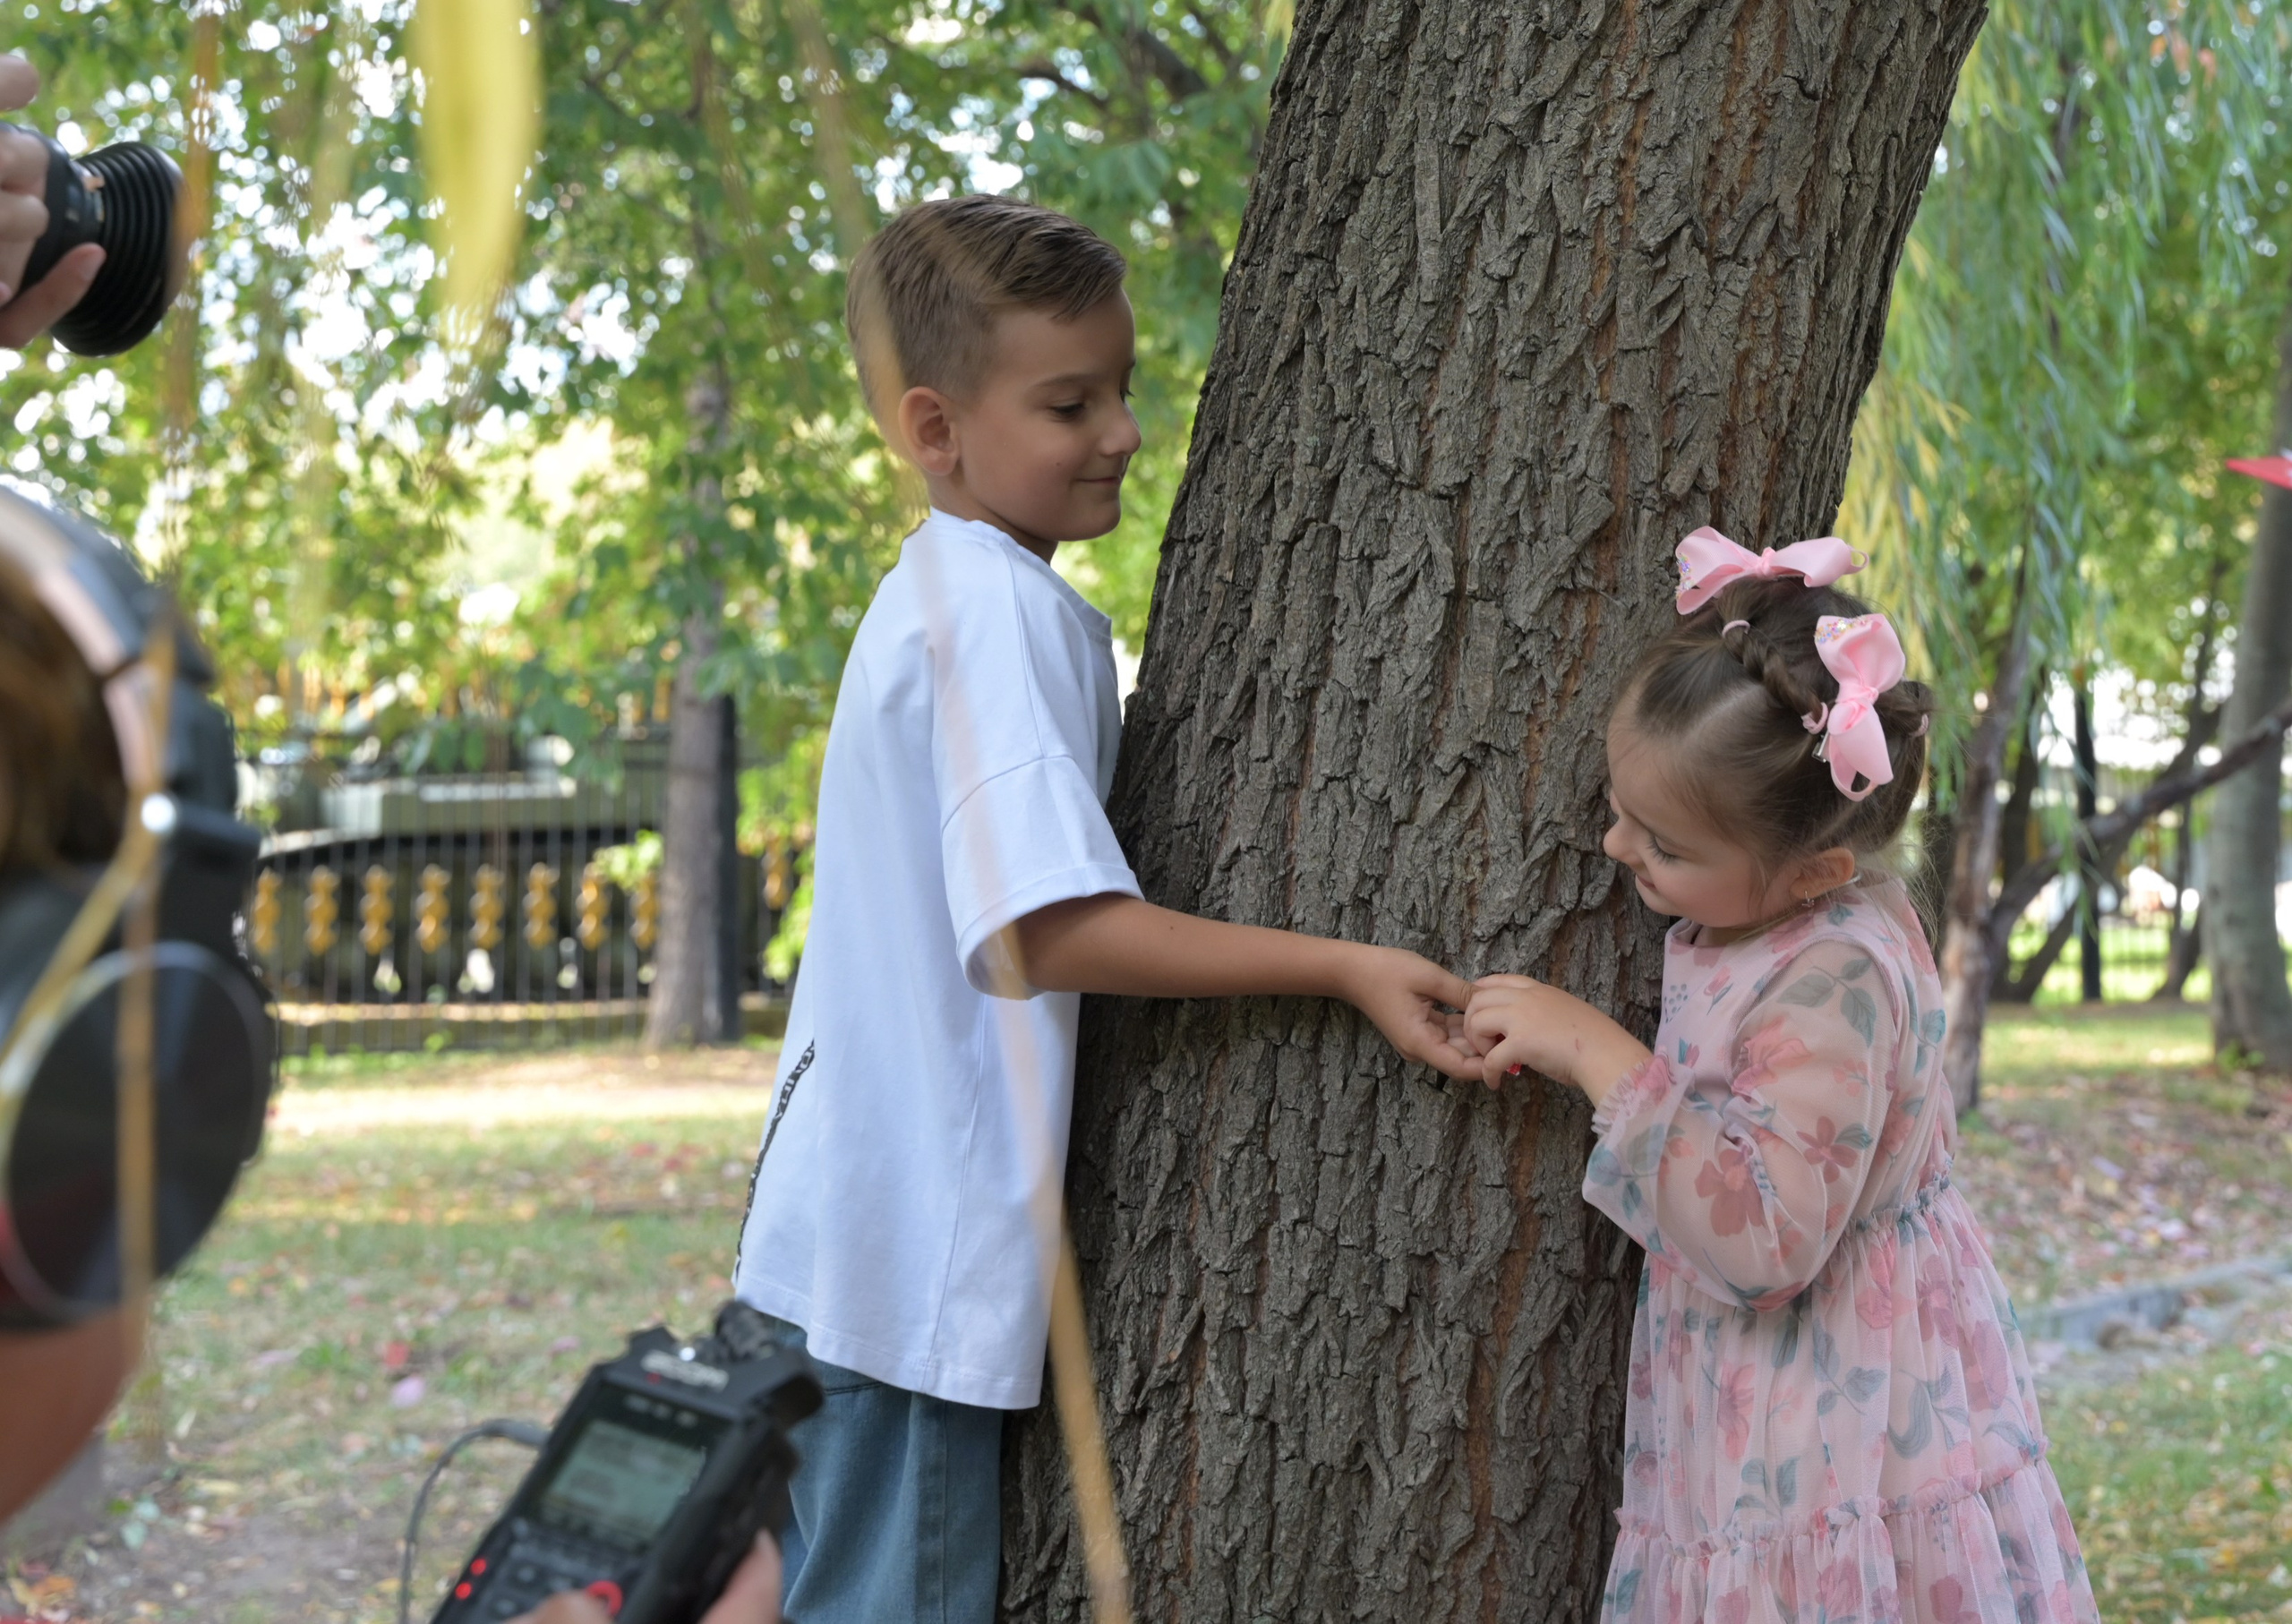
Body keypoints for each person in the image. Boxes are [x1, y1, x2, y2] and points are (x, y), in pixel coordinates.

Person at [730, 193, 1483, 1622]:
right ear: (934, 428)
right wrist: (1339, 965)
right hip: (911, 1271)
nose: (1125, 433)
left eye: (1122, 390)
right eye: (1071, 402)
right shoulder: (991, 613)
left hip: (856, 1241)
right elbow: (1040, 930)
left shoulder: (955, 597)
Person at [1460, 532, 2099, 1624]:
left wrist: (1593, 1052)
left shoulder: (1835, 976)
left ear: (1815, 870)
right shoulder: (1798, 916)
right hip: (1788, 1393)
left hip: (1829, 1417)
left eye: (1660, 843)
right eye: (1619, 809)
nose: (1617, 847)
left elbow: (1765, 1241)